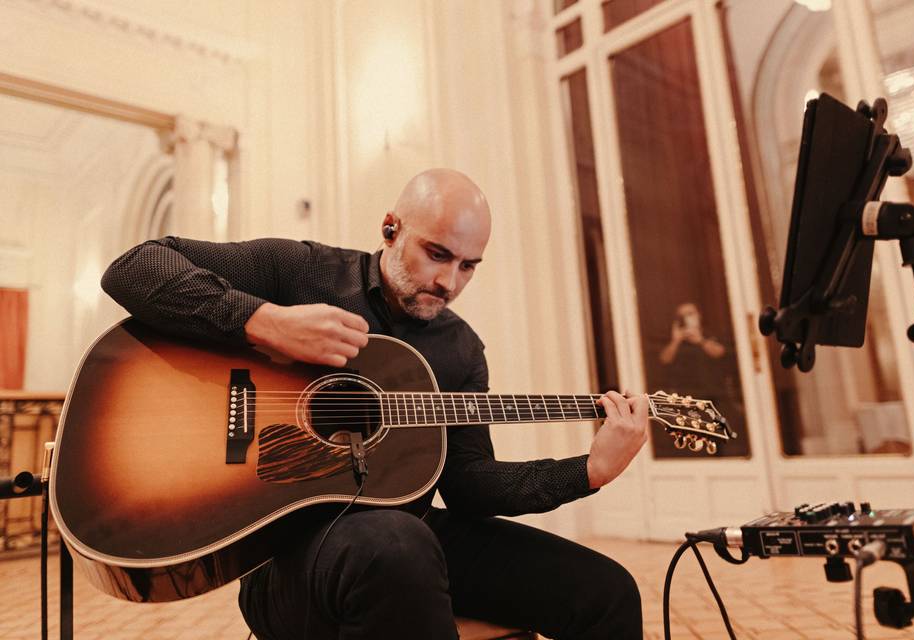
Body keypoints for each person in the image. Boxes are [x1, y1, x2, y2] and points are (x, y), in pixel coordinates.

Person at [101, 168, 648, 639]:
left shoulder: (460, 350)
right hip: (289, 555)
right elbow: (135, 266)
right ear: (391, 229)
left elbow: (470, 484)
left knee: (607, 593)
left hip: (406, 537)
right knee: (396, 546)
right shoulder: (303, 274)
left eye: (468, 266)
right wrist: (263, 323)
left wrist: (589, 471)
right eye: (437, 254)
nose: (448, 281)